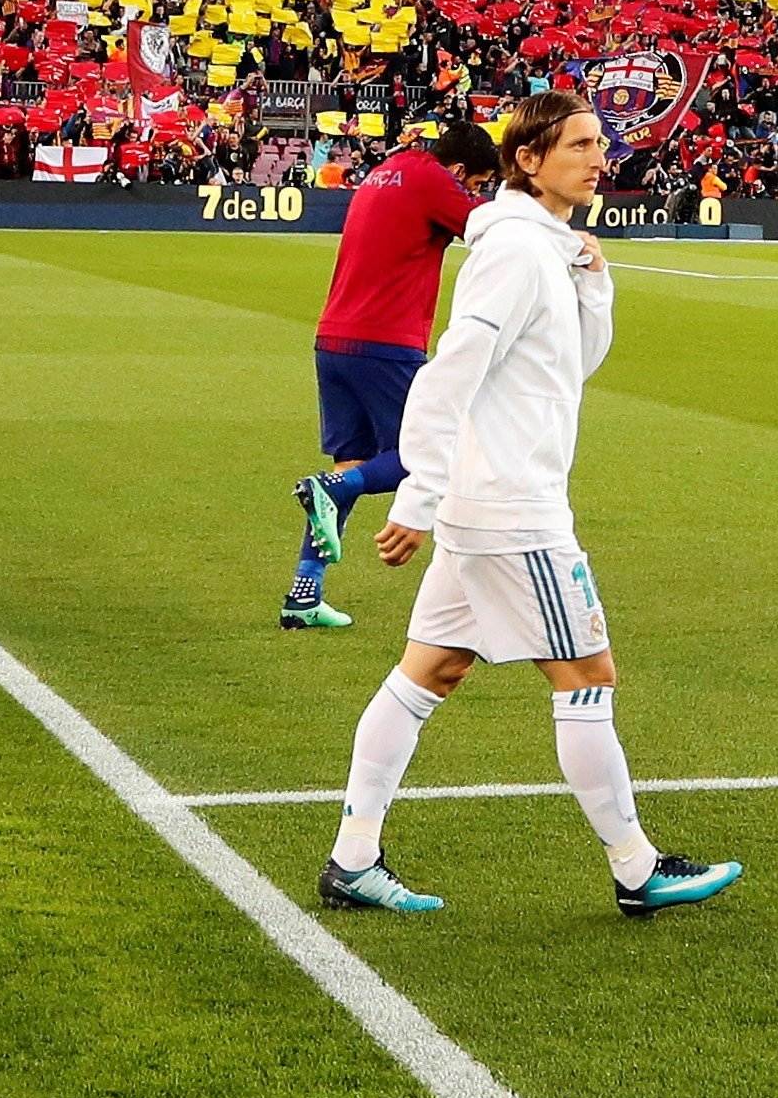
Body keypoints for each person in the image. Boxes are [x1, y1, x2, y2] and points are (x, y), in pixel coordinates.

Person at [315, 94, 736, 923]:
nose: (598, 154)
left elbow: (571, 365)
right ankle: (636, 866)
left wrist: (595, 285)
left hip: (495, 499)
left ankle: (353, 858)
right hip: (513, 506)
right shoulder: (512, 250)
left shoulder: (548, 247)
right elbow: (449, 371)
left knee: (429, 671)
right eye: (580, 142)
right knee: (587, 676)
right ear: (529, 160)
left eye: (601, 142)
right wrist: (422, 495)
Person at [287, 118, 497, 630]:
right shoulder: (432, 181)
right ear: (460, 170)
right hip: (386, 339)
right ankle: (488, 591)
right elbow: (492, 228)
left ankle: (304, 593)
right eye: (476, 185)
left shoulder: (388, 170)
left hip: (334, 337)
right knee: (429, 455)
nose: (475, 194)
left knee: (353, 463)